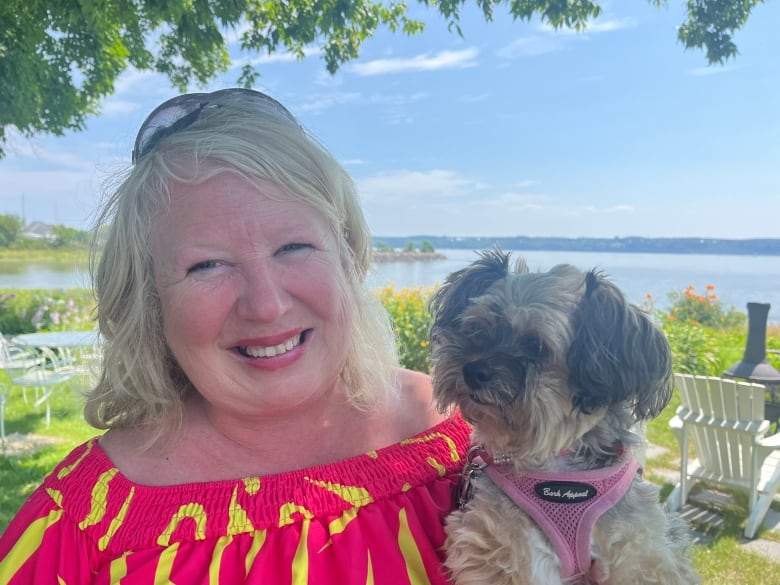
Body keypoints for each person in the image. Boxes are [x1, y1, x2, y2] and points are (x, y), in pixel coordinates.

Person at [0, 88, 471, 584]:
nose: (266, 304)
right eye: (207, 265)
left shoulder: (468, 443)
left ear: (347, 258)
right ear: (150, 301)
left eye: (293, 246)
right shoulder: (84, 525)